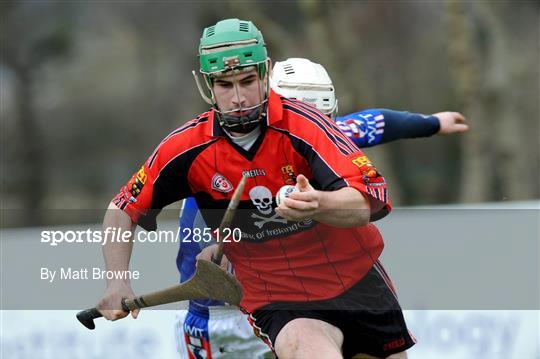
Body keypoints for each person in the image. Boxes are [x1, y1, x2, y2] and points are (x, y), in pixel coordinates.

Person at [96, 19, 463, 358]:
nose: (238, 98)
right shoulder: (186, 149)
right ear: (208, 86)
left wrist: (319, 203)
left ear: (265, 73)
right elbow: (124, 207)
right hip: (275, 298)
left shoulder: (311, 126)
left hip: (356, 279)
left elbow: (368, 201)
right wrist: (117, 282)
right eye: (225, 85)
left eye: (247, 82)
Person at [175, 58, 468, 359]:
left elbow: (375, 123)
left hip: (293, 298)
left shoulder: (320, 136)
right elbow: (204, 241)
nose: (314, 127)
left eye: (323, 119)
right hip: (220, 314)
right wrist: (219, 251)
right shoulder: (219, 160)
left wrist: (432, 123)